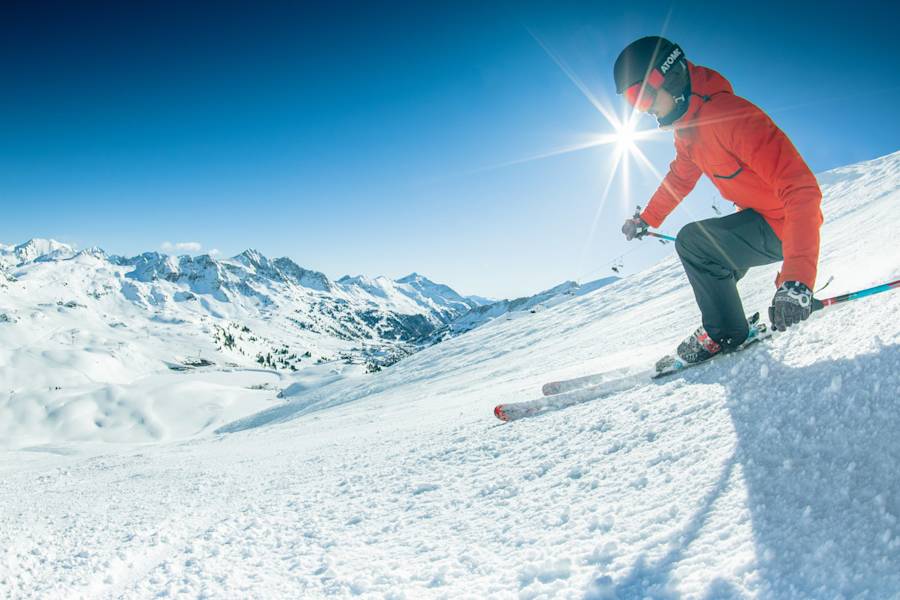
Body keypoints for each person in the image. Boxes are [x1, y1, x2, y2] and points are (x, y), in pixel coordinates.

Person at [614, 36, 823, 366]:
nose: (644, 109)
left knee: (695, 243)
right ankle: (726, 321)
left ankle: (725, 331)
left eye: (641, 97)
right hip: (759, 218)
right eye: (633, 103)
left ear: (668, 76)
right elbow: (680, 179)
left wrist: (797, 279)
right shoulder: (687, 131)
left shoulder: (731, 117)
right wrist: (646, 219)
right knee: (709, 256)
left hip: (785, 225)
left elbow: (802, 191)